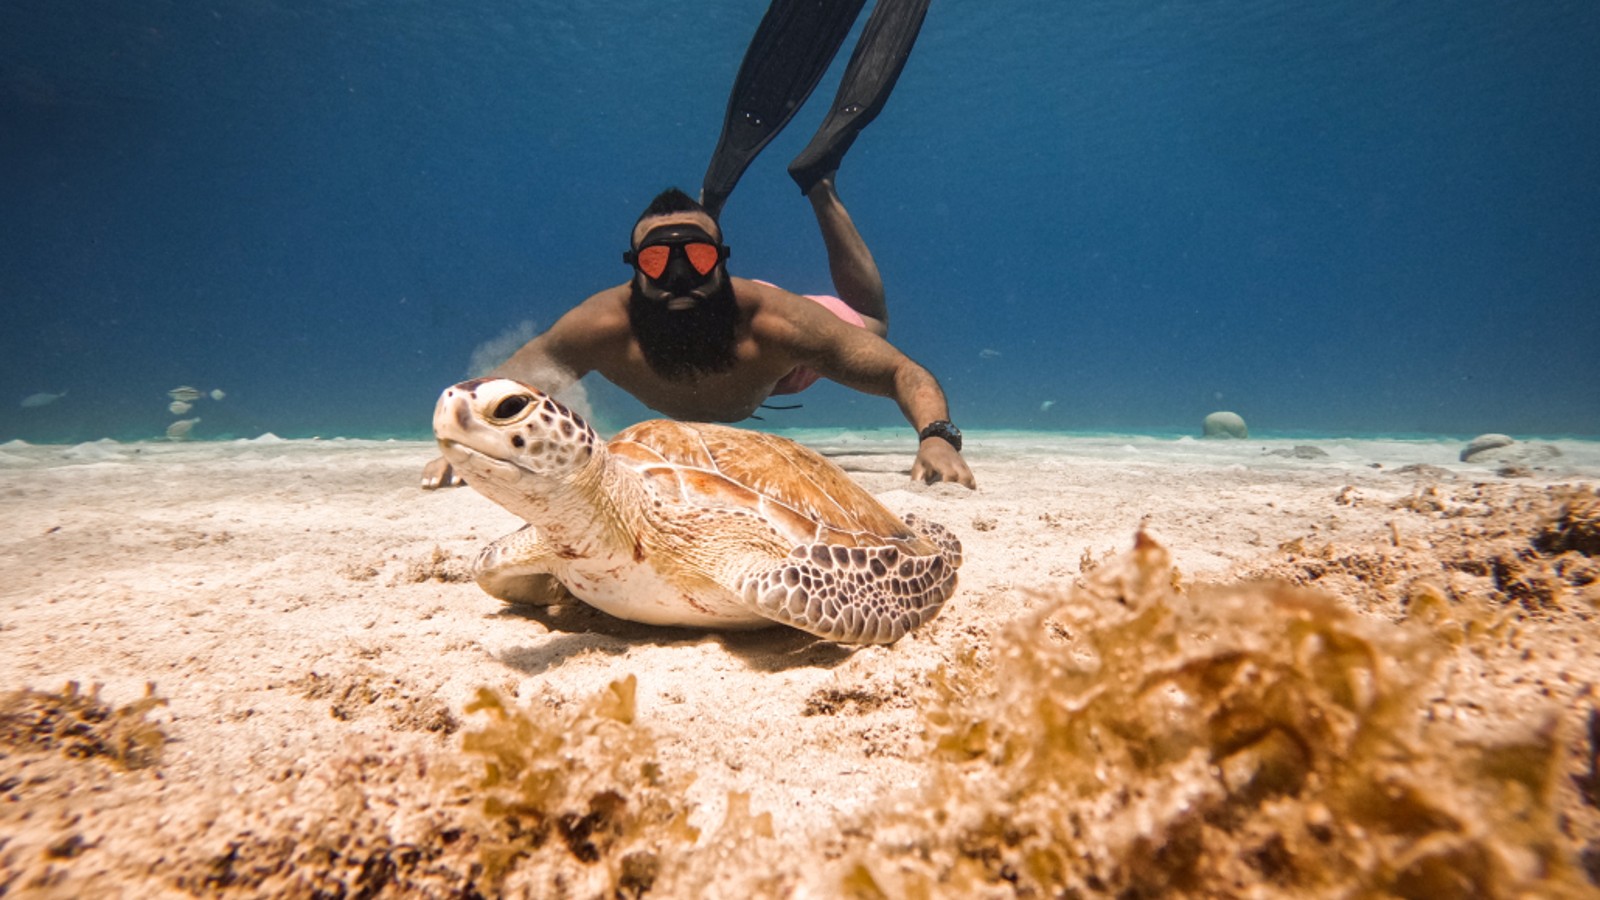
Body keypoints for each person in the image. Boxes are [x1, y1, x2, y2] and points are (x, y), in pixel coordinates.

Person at [421, 0, 973, 490]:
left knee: (872, 325)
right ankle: (715, 214)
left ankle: (819, 182)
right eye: (660, 262)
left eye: (700, 258)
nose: (680, 277)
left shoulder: (778, 323)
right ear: (633, 270)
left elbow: (904, 371)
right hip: (743, 347)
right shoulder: (601, 327)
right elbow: (506, 385)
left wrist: (938, 437)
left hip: (776, 366)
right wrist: (459, 445)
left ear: (723, 264)